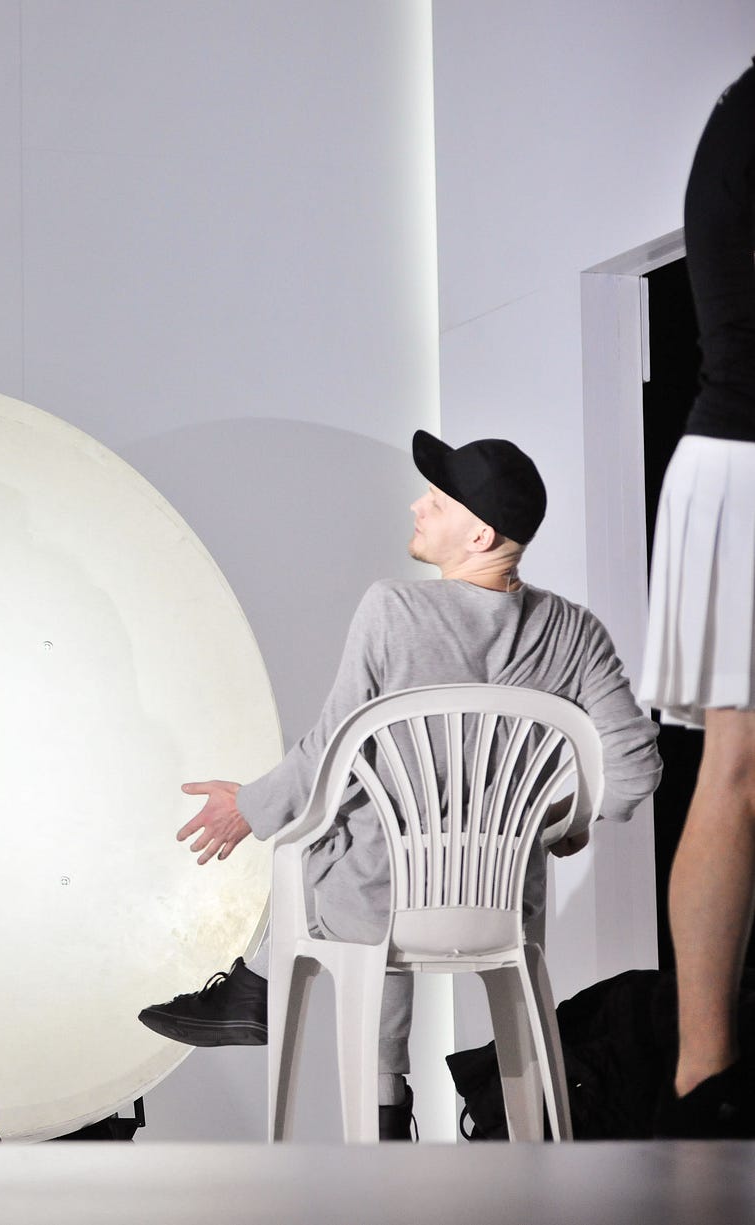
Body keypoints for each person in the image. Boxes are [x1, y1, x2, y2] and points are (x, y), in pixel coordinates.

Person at [137, 432, 662, 1139]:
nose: (418, 505)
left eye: (437, 501)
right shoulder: (576, 632)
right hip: (501, 904)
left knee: (344, 838)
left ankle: (310, 1036)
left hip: (381, 902)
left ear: (479, 535)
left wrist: (248, 809)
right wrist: (560, 826)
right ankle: (294, 1021)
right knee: (377, 828)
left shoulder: (393, 609)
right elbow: (635, 770)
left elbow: (330, 750)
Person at [639, 58, 755, 1139]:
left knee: (732, 766)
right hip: (745, 459)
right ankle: (701, 1072)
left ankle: (703, 1074)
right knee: (734, 767)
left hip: (730, 461)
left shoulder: (737, 108)